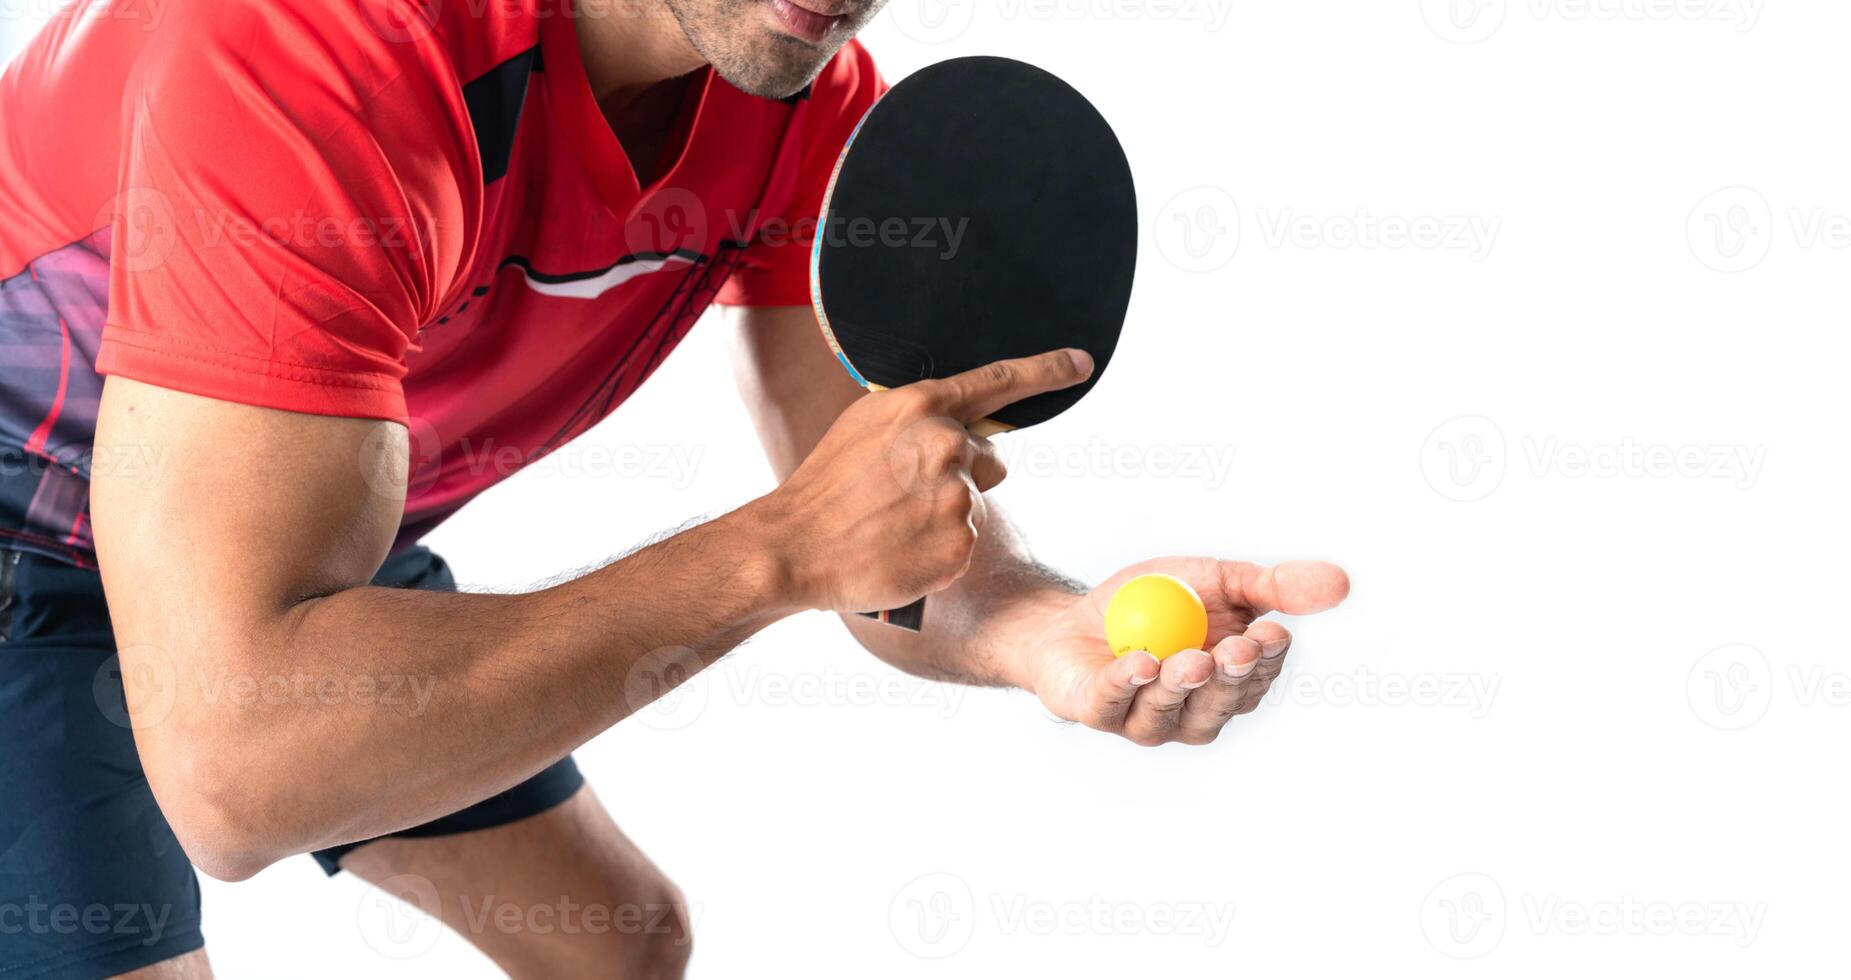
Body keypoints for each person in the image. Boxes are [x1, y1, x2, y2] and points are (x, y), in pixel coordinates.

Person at [0, 0, 1349, 975]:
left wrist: (1045, 629)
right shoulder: (313, 44)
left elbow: (867, 504)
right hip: (25, 539)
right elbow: (237, 774)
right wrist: (770, 555)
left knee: (616, 948)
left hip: (273, 515)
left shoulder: (804, 102)